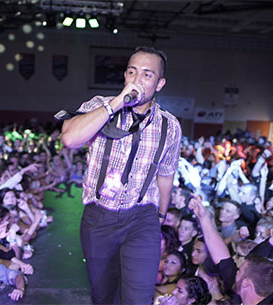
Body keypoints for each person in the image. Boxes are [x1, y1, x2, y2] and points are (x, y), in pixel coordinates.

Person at [61, 46, 181, 304]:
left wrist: (160, 214)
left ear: (160, 84)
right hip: (99, 216)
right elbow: (70, 138)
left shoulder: (169, 126)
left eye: (147, 75)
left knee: (138, 297)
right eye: (132, 72)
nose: (137, 79)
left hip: (141, 217)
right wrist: (117, 102)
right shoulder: (98, 106)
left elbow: (166, 174)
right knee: (103, 294)